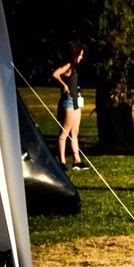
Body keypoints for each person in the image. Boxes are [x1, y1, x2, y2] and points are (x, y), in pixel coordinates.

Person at [51, 41, 87, 171]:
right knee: (64, 133)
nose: (82, 57)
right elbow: (55, 74)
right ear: (75, 54)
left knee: (74, 133)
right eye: (80, 55)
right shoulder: (68, 65)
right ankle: (61, 162)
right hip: (69, 101)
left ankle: (77, 161)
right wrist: (64, 85)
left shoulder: (75, 67)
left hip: (77, 102)